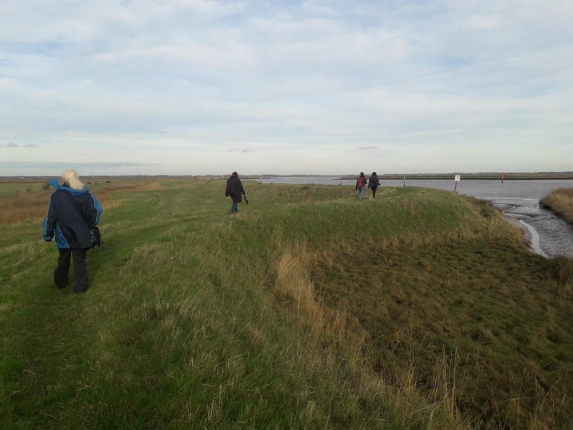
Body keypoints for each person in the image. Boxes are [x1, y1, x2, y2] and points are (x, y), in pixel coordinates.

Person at [42, 169, 102, 294]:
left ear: (63, 179)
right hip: (81, 233)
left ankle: (60, 283)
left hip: (62, 234)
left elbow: (51, 217)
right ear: (77, 177)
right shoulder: (86, 193)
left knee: (63, 258)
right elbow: (96, 211)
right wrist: (89, 224)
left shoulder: (56, 195)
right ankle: (80, 287)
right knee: (79, 260)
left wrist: (48, 234)